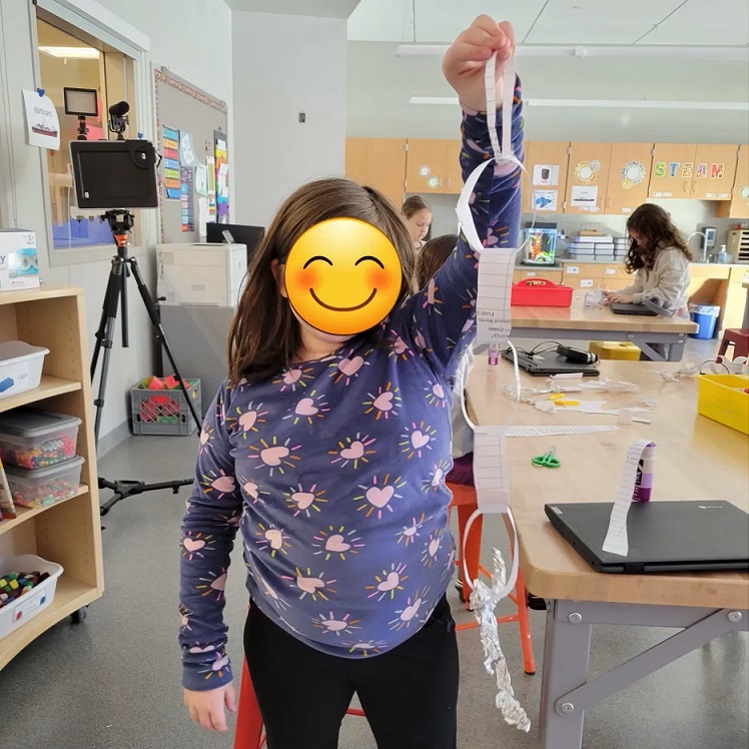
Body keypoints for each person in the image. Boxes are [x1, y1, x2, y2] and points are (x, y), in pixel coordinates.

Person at [179, 16, 523, 749]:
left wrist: (484, 111)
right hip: (288, 637)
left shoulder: (422, 344)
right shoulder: (243, 397)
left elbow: (490, 238)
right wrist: (202, 657)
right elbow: (206, 526)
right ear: (281, 273)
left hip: (414, 630)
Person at [605, 203, 692, 359]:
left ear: (653, 233)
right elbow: (640, 286)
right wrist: (618, 295)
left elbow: (668, 294)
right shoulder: (651, 251)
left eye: (640, 238)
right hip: (656, 314)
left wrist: (632, 298)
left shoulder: (671, 256)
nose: (638, 243)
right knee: (647, 361)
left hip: (671, 317)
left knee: (656, 365)